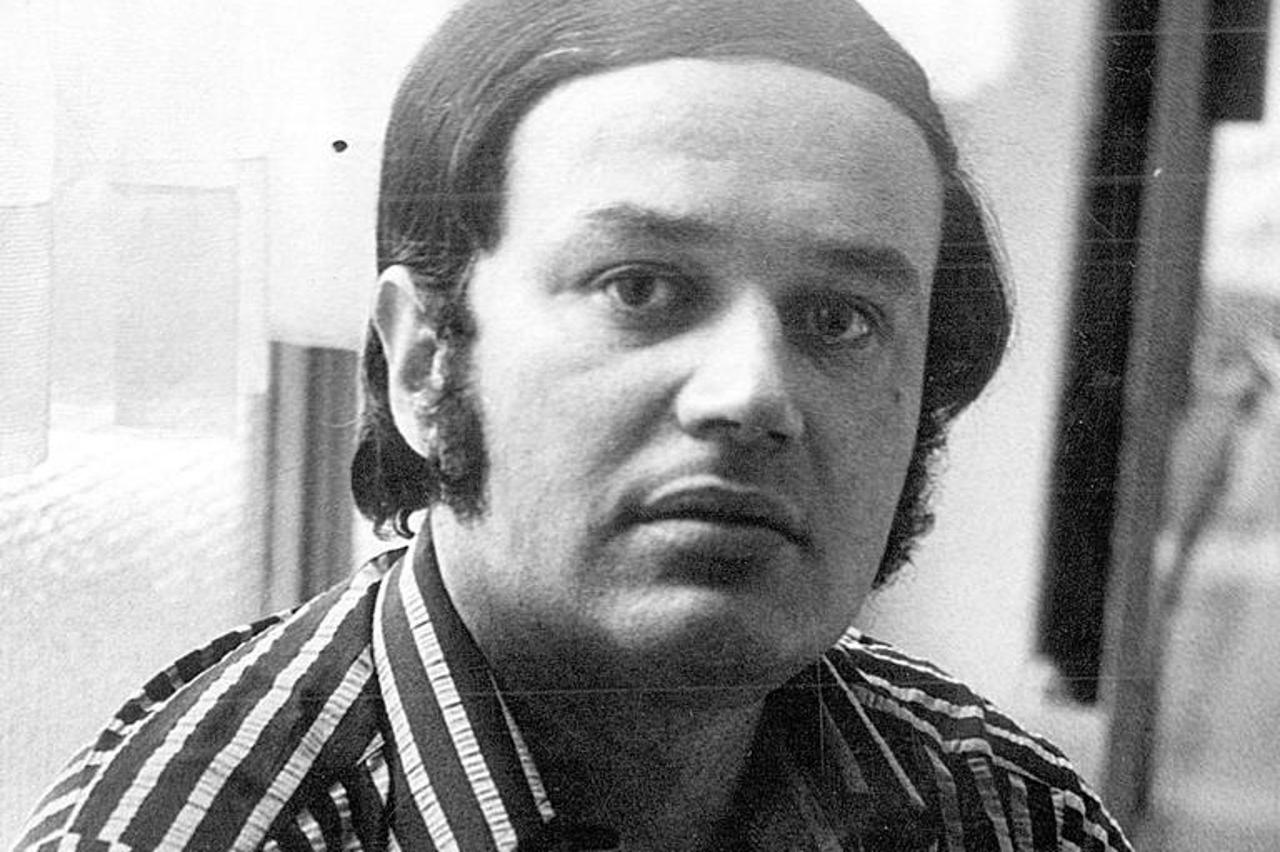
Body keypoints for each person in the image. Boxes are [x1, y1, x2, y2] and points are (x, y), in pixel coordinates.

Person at [14, 1, 1133, 849]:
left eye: (840, 319)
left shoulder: (1003, 812)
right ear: (424, 362)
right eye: (640, 288)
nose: (750, 394)